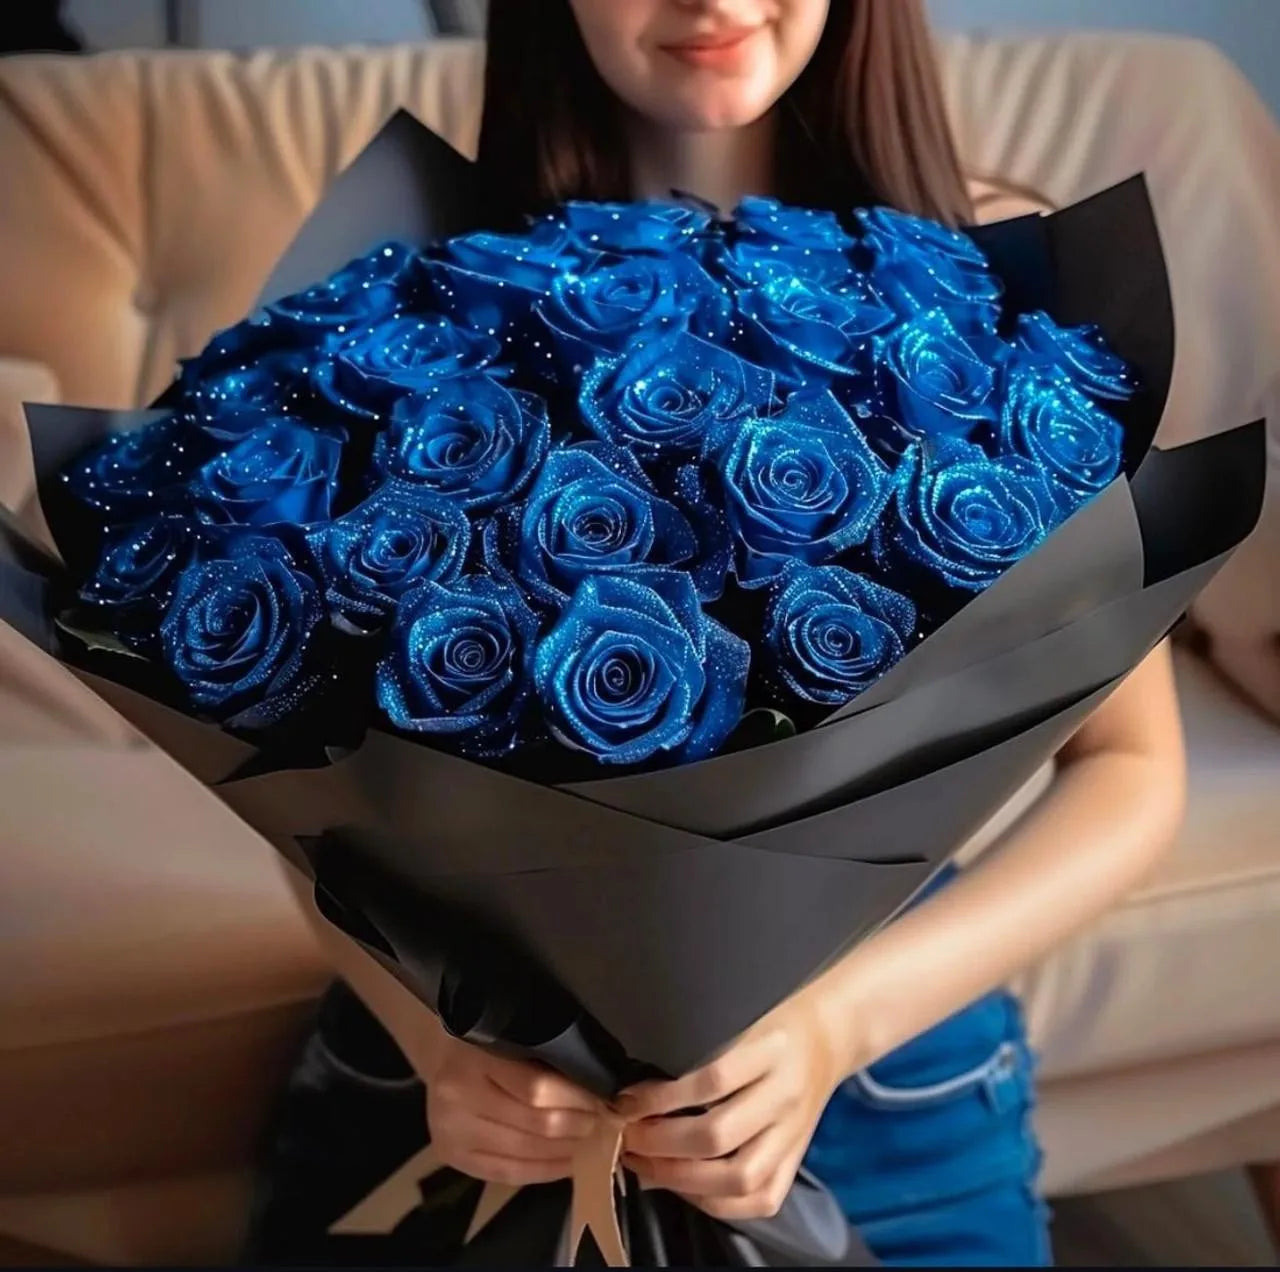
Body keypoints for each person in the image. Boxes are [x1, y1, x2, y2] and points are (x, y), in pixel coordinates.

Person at [244, 2, 1187, 1266]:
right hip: (466, 1105)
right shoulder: (412, 294)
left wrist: (836, 1024)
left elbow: (1131, 770)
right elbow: (297, 782)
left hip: (882, 1081)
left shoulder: (998, 281)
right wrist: (437, 1042)